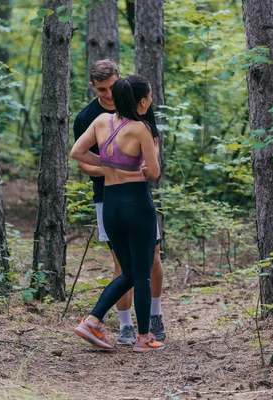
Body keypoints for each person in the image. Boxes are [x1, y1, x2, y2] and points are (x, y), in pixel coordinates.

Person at [73, 60, 166, 345]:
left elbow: (77, 151)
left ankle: (92, 322)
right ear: (139, 101)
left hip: (111, 205)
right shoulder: (140, 128)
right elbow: (154, 172)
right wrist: (129, 167)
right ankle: (142, 337)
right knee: (141, 272)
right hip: (135, 204)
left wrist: (111, 163)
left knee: (129, 272)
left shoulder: (100, 122)